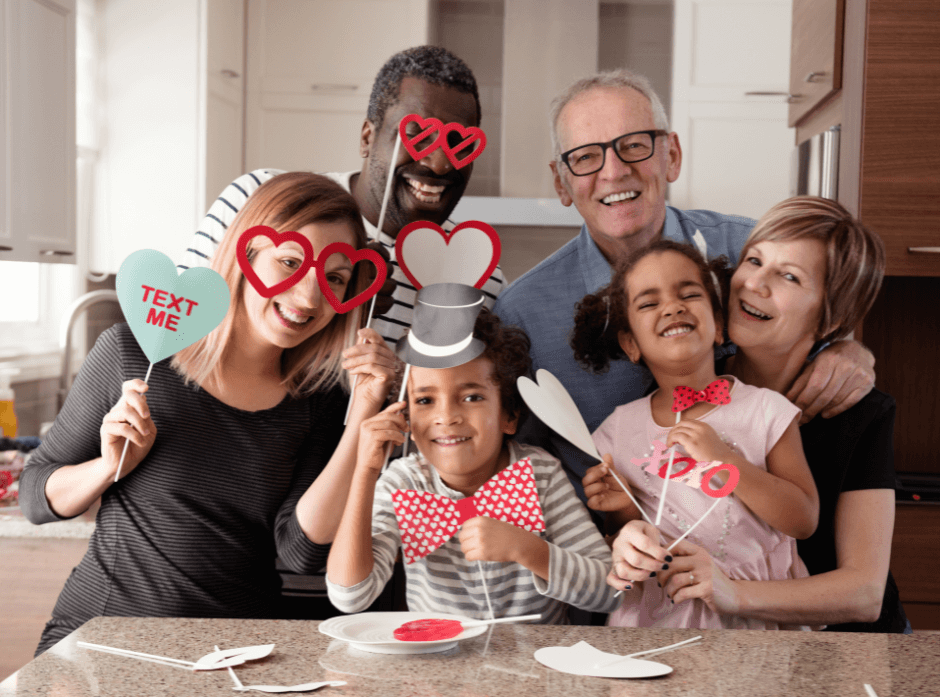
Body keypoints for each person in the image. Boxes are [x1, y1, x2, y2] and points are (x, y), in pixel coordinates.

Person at [20, 173, 400, 654]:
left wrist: (363, 413)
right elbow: (35, 495)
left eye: (336, 278)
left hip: (235, 652)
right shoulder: (133, 355)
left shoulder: (322, 401)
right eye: (289, 262)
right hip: (102, 641)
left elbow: (301, 552)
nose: (309, 297)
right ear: (248, 254)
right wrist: (106, 468)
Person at [494, 69, 876, 494]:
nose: (614, 171)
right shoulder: (521, 313)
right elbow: (515, 462)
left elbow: (817, 315)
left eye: (634, 145)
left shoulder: (750, 254)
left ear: (671, 155)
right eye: (585, 157)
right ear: (561, 182)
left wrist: (848, 348)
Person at [611, 197, 905, 632]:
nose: (754, 284)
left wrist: (734, 593)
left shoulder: (860, 412)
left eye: (788, 276)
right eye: (754, 260)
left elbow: (864, 594)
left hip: (844, 653)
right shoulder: (684, 391)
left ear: (830, 316)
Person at [325, 286, 619, 622]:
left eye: (472, 397)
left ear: (509, 415)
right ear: (405, 418)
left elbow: (609, 592)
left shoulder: (540, 475)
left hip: (537, 666)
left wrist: (528, 550)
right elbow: (350, 597)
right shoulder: (402, 483)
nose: (447, 416)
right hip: (438, 666)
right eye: (425, 400)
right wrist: (364, 474)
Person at [184, 45, 504, 345]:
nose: (439, 163)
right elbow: (176, 327)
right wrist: (336, 309)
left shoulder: (478, 279)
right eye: (416, 136)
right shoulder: (259, 199)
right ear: (368, 137)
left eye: (460, 145)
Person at [574, 239, 818, 629]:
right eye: (649, 303)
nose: (673, 307)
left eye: (689, 294)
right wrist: (619, 509)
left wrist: (726, 461)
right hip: (653, 625)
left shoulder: (766, 411)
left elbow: (803, 519)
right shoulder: (617, 430)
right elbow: (624, 535)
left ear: (719, 326)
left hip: (752, 625)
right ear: (631, 343)